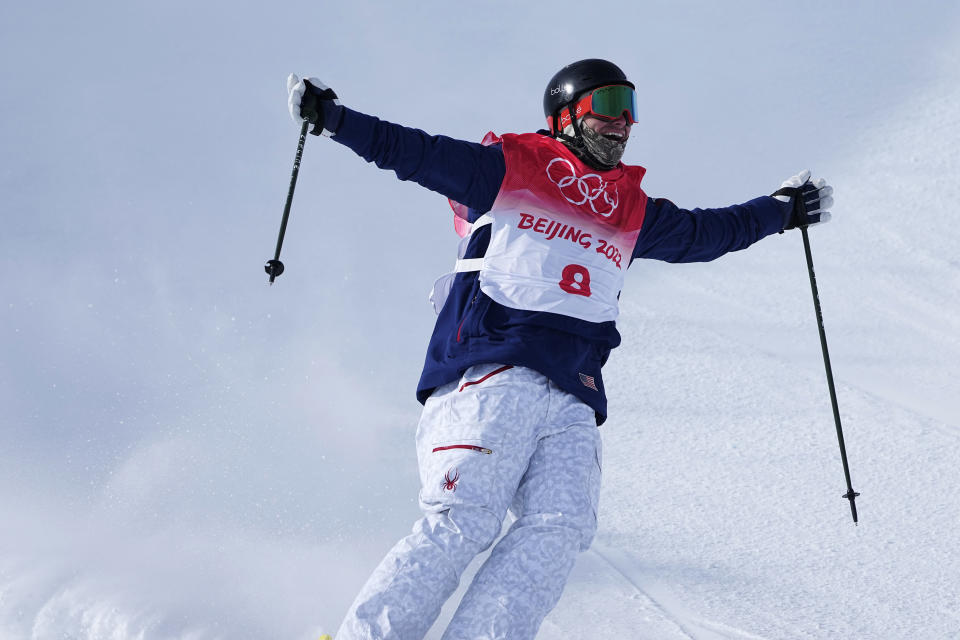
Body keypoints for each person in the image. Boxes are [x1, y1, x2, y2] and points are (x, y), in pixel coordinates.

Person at [286, 59, 833, 640]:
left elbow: (706, 234)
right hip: (492, 377)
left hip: (573, 397)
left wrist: (782, 210)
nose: (624, 121)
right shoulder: (509, 167)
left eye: (632, 107)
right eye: (610, 103)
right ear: (567, 113)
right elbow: (414, 151)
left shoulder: (631, 208)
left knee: (559, 527)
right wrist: (334, 118)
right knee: (463, 520)